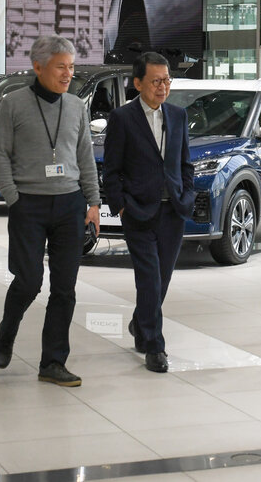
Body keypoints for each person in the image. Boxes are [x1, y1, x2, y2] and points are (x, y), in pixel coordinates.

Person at [0, 35, 101, 387]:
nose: (68, 74)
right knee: (29, 281)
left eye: (71, 67)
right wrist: (13, 198)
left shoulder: (76, 106)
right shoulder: (13, 104)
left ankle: (53, 362)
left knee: (65, 288)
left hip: (70, 204)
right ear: (38, 67)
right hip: (29, 204)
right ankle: (7, 330)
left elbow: (84, 156)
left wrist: (93, 202)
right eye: (60, 67)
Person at [103, 51, 195, 373]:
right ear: (138, 83)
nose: (162, 87)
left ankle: (140, 323)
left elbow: (185, 164)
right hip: (138, 212)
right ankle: (155, 347)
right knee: (149, 280)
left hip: (173, 211)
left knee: (162, 279)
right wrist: (121, 206)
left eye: (166, 80)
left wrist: (186, 195)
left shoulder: (178, 115)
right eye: (156, 81)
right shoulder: (122, 118)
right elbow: (111, 170)